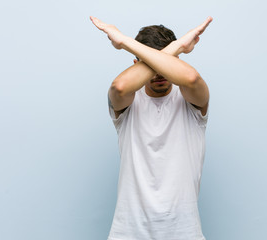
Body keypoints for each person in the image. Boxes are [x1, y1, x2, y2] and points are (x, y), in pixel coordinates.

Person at [90, 15, 213, 240]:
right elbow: (119, 87)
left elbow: (192, 79)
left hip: (184, 233)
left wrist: (124, 41)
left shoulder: (190, 101)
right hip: (128, 233)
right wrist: (176, 49)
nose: (158, 73)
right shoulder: (129, 101)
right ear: (137, 64)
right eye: (149, 64)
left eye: (164, 64)